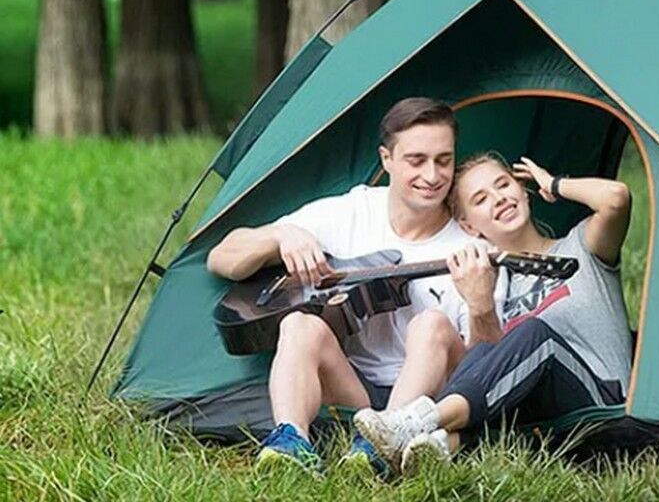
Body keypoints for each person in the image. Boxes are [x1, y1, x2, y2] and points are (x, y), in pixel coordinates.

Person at [206, 97, 502, 476]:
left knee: (431, 324)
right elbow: (221, 257)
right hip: (353, 389)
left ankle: (385, 441)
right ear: (386, 159)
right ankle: (292, 444)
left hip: (429, 401)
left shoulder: (474, 247)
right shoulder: (354, 212)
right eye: (416, 160)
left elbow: (487, 368)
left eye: (443, 160)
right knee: (299, 324)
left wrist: (481, 307)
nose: (432, 175)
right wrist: (281, 236)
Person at [353, 152, 633, 469]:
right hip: (538, 427)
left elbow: (616, 199)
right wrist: (480, 304)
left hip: (602, 407)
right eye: (481, 199)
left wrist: (552, 183)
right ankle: (433, 446)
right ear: (469, 226)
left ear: (523, 190)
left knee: (534, 333)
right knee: (486, 352)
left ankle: (419, 421)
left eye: (503, 185)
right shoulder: (495, 283)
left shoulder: (581, 246)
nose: (498, 199)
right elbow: (488, 367)